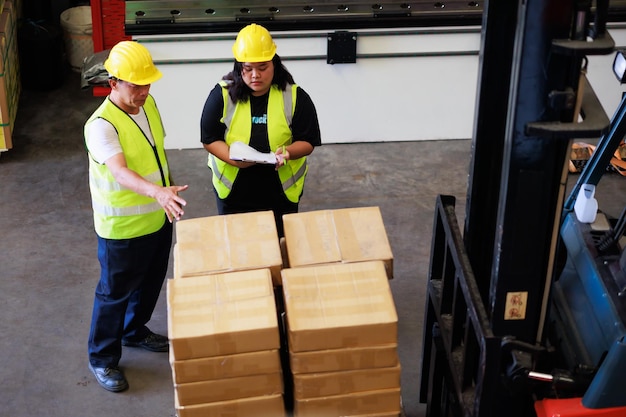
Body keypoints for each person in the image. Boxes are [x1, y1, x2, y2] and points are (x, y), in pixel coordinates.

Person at [84, 40, 188, 392]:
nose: (144, 91)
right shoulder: (101, 126)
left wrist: (167, 185)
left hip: (156, 218)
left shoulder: (149, 104)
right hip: (122, 228)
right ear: (113, 82)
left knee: (149, 283)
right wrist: (158, 193)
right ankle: (102, 358)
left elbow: (156, 151)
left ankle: (134, 331)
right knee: (114, 294)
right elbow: (121, 172)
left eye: (147, 83)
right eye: (135, 84)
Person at [200, 23, 321, 237]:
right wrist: (231, 158)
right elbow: (209, 138)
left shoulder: (294, 96)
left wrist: (289, 152)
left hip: (279, 191)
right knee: (241, 249)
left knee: (279, 246)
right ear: (239, 67)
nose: (255, 75)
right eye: (248, 68)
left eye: (263, 67)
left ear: (274, 64)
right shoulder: (221, 95)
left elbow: (308, 140)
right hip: (235, 190)